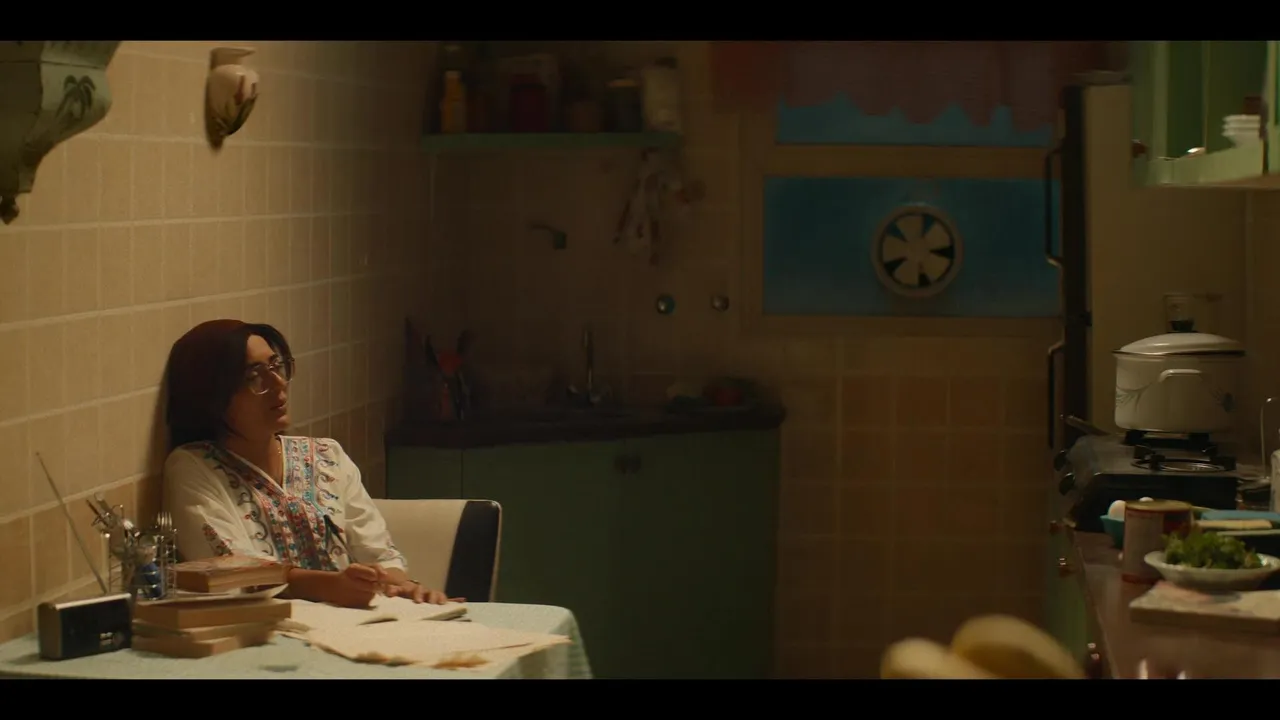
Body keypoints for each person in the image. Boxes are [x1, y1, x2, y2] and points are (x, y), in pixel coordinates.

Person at [162, 319, 459, 608]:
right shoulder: (193, 468)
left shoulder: (326, 456)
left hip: (357, 623)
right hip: (268, 629)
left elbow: (378, 553)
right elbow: (231, 570)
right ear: (212, 396)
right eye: (254, 377)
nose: (278, 384)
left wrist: (404, 587)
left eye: (277, 367)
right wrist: (330, 586)